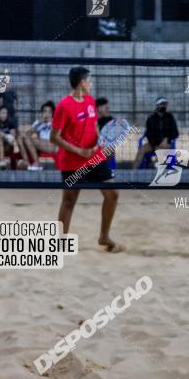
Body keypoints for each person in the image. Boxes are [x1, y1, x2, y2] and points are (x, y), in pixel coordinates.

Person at [51, 66, 123, 253]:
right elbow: (54, 137)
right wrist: (78, 151)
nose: (90, 83)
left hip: (94, 156)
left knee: (113, 194)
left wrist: (103, 143)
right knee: (69, 201)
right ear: (82, 82)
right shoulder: (64, 106)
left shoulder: (90, 101)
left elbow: (95, 128)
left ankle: (104, 236)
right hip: (73, 160)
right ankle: (60, 242)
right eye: (89, 80)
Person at [133, 97, 179, 169]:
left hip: (167, 144)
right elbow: (149, 134)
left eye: (165, 104)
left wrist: (167, 138)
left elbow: (175, 133)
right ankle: (133, 172)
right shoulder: (151, 118)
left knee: (163, 148)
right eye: (162, 104)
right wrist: (155, 144)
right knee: (141, 149)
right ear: (157, 105)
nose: (164, 106)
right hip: (153, 144)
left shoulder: (170, 117)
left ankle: (155, 165)